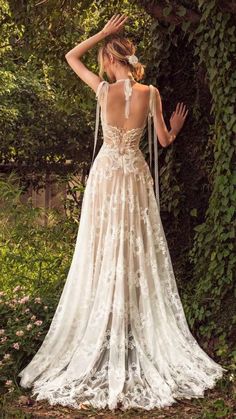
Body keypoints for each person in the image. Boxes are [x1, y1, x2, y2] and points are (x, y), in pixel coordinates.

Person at [18, 13, 227, 411]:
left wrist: (101, 32)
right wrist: (177, 128)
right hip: (134, 176)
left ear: (111, 61)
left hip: (106, 176)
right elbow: (164, 141)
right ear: (129, 59)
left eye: (104, 60)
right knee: (135, 248)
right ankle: (128, 323)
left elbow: (69, 57)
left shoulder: (102, 90)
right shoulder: (151, 93)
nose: (101, 66)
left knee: (101, 247)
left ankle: (107, 325)